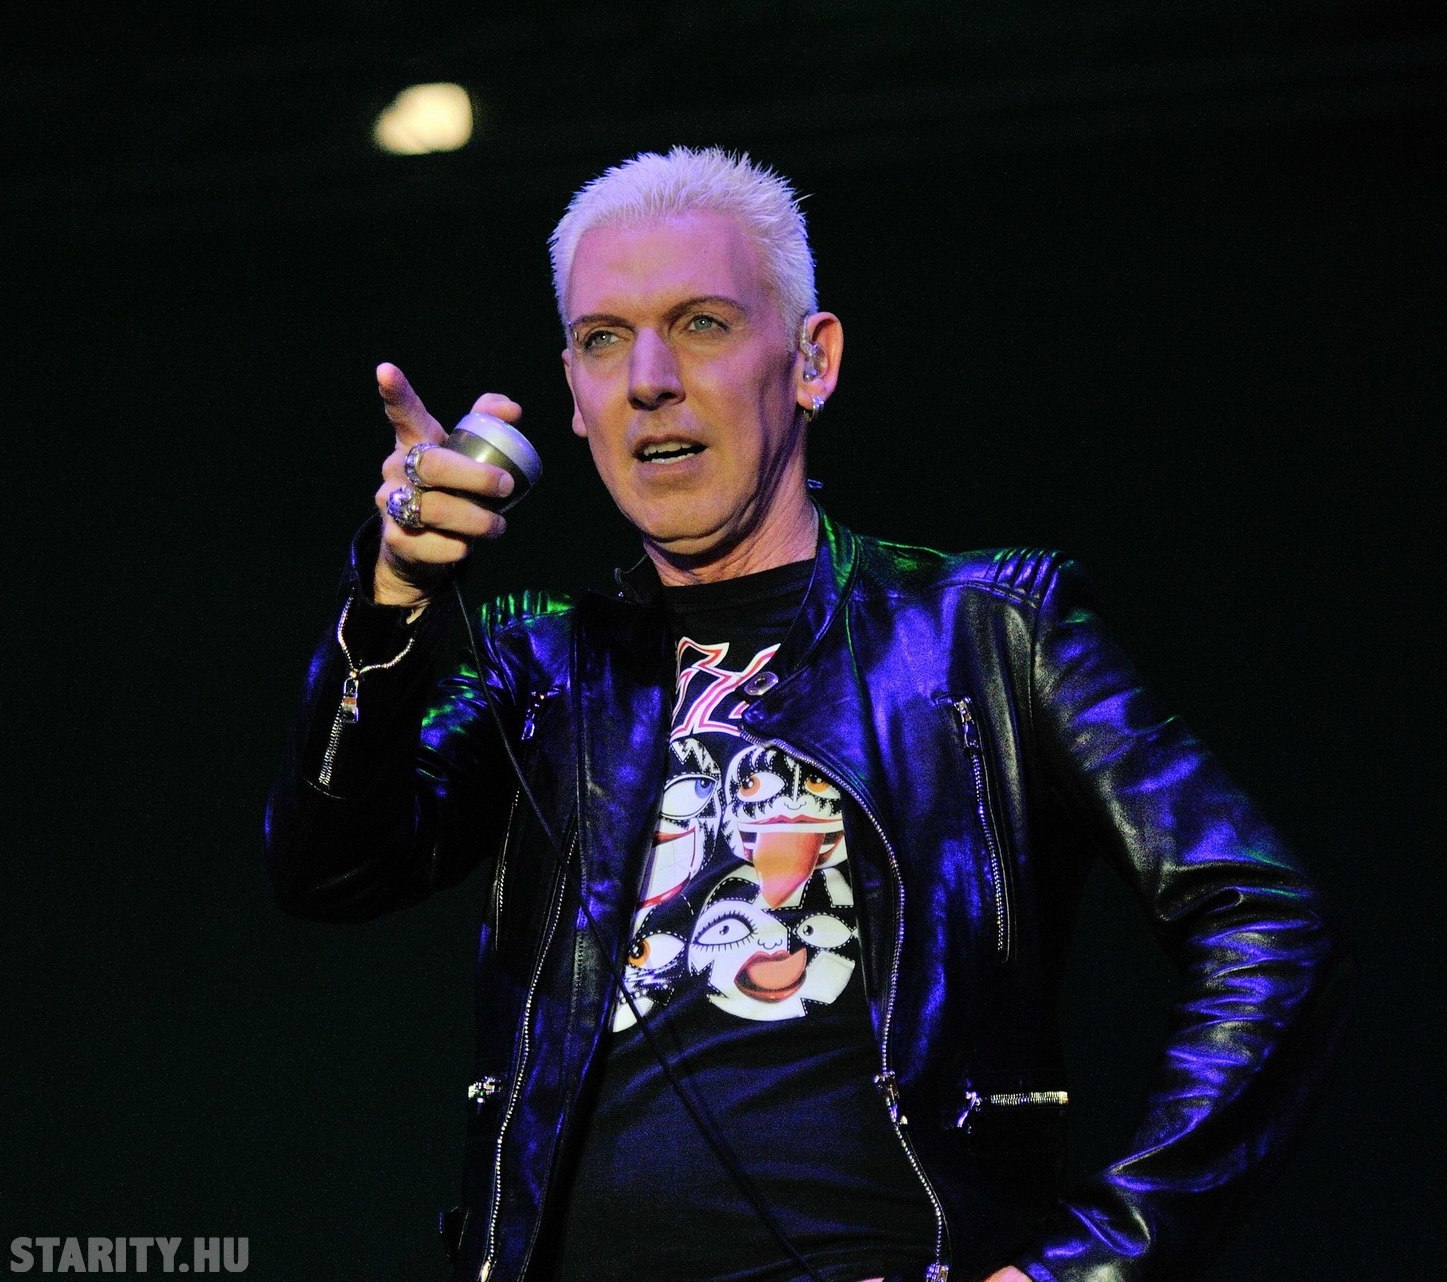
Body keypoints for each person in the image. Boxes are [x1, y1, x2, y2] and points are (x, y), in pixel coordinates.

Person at [264, 147, 1350, 1282]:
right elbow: (328, 869)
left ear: (812, 361)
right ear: (574, 399)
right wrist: (390, 595)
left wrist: (1088, 1265)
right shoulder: (540, 667)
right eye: (604, 339)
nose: (648, 379)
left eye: (701, 324)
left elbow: (1273, 930)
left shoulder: (985, 633)